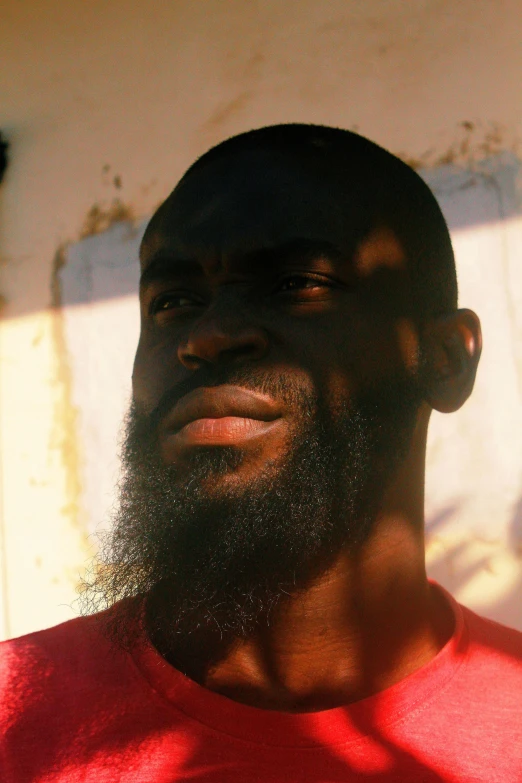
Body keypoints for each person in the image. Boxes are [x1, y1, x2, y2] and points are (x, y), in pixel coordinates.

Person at [2, 124, 521, 782]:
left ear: (443, 359)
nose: (208, 335)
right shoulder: (15, 722)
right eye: (174, 302)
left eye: (296, 283)